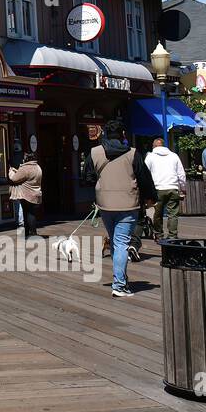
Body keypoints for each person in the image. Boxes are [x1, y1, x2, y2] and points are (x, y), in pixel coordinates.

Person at [90, 119, 156, 298]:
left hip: (105, 203)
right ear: (123, 135)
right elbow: (144, 178)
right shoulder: (133, 153)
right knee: (121, 243)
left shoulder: (94, 152)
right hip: (128, 202)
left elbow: (87, 176)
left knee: (115, 241)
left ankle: (121, 279)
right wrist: (150, 198)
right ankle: (119, 284)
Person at [144, 136, 186, 242]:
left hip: (157, 188)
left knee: (157, 214)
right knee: (173, 214)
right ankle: (172, 236)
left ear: (154, 146)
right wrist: (183, 188)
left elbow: (145, 174)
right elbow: (181, 174)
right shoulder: (174, 156)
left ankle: (159, 235)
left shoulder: (150, 157)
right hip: (173, 187)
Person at [7, 150, 43, 239]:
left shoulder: (26, 168)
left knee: (28, 213)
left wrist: (11, 171)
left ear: (27, 159)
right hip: (36, 193)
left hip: (26, 195)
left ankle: (30, 233)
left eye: (24, 158)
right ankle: (32, 232)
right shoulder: (38, 167)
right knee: (32, 213)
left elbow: (14, 179)